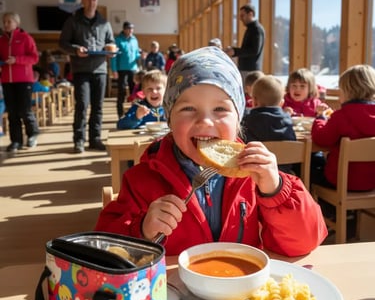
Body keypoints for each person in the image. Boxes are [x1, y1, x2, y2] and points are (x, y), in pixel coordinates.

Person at [95, 46, 327, 257]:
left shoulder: (256, 177)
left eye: (220, 108)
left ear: (238, 120)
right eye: (187, 108)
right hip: (173, 294)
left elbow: (304, 242)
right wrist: (141, 229)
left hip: (239, 293)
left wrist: (275, 190)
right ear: (170, 119)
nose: (205, 121)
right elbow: (107, 248)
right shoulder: (142, 179)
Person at [311, 64, 375, 239]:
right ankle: (351, 218)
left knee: (311, 166)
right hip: (371, 183)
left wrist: (320, 119)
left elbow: (320, 139)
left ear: (346, 90)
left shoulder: (342, 115)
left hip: (342, 182)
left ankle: (329, 213)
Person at [59, 0, 116, 153]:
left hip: (100, 69)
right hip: (81, 70)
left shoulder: (104, 23)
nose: (92, 3)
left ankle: (95, 139)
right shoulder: (72, 21)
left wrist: (110, 50)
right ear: (83, 1)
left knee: (98, 106)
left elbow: (110, 42)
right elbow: (63, 43)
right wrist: (75, 49)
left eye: (95, 0)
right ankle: (79, 140)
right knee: (82, 105)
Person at [0, 12, 39, 152]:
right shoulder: (1, 41)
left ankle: (33, 135)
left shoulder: (25, 38)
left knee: (25, 110)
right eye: (4, 21)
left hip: (24, 80)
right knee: (12, 112)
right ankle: (16, 141)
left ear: (17, 23)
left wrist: (17, 60)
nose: (6, 24)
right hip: (7, 81)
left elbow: (34, 58)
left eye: (9, 21)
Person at [242, 75, 296, 174]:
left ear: (254, 101)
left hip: (253, 174)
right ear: (281, 103)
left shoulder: (248, 121)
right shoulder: (288, 121)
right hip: (284, 175)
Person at [225, 4, 265, 82]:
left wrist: (235, 51)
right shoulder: (252, 29)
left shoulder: (257, 29)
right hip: (247, 70)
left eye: (242, 15)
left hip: (250, 72)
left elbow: (254, 50)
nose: (240, 18)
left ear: (250, 14)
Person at [111, 21, 141, 118]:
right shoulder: (118, 40)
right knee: (122, 91)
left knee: (134, 91)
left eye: (132, 29)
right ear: (124, 29)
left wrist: (140, 57)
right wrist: (114, 70)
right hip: (121, 69)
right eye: (128, 28)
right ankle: (120, 113)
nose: (130, 30)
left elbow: (136, 53)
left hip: (133, 69)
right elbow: (113, 56)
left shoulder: (134, 40)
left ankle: (134, 112)